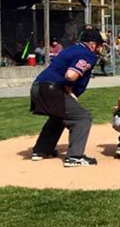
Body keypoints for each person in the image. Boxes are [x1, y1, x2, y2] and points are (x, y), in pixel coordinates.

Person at [28, 28, 104, 167]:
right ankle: (75, 157)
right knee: (82, 117)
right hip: (51, 89)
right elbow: (70, 75)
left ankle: (41, 150)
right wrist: (69, 91)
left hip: (38, 87)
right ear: (92, 44)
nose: (100, 48)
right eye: (99, 44)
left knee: (59, 116)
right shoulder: (88, 54)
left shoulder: (72, 49)